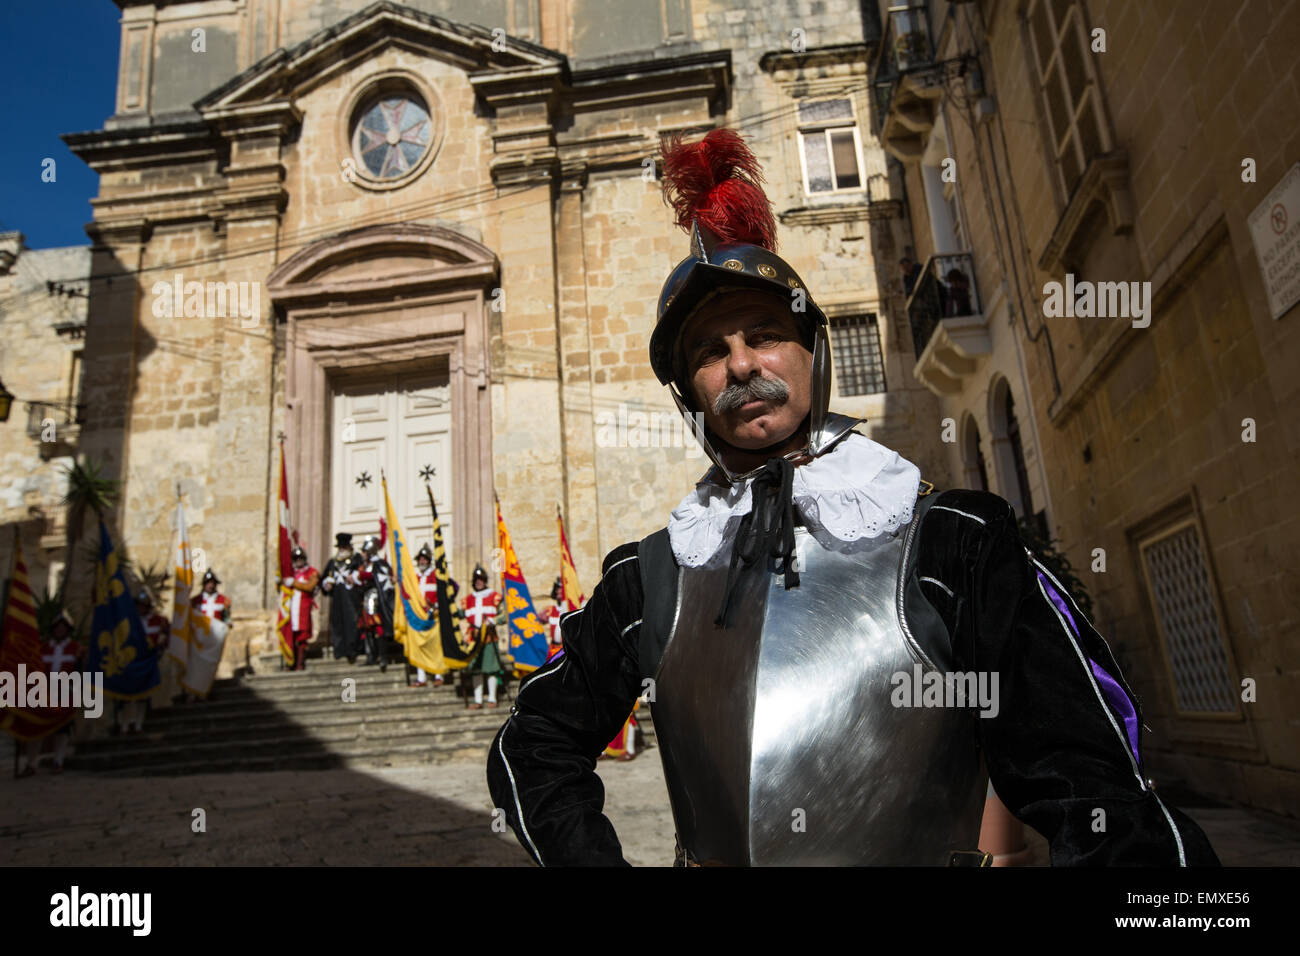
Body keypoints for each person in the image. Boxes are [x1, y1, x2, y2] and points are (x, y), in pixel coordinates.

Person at [486, 128, 1220, 867]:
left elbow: (1093, 788)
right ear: (691, 394)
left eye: (765, 334)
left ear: (815, 351)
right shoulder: (647, 576)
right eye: (710, 352)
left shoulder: (954, 542)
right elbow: (533, 747)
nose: (741, 364)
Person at [16, 613, 81, 777]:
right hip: (42, 693)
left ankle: (58, 760)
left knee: (62, 729)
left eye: (63, 628)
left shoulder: (76, 648)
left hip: (65, 693)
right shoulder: (42, 648)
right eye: (57, 628)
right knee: (36, 726)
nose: (60, 630)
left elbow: (79, 671)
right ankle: (31, 763)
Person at [116, 590, 167, 733]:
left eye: (143, 606)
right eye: (138, 605)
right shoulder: (129, 622)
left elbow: (164, 639)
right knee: (126, 695)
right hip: (131, 662)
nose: (140, 608)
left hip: (148, 661)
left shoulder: (159, 621)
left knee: (143, 694)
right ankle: (125, 724)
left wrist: (158, 649)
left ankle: (138, 723)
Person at [462, 564, 504, 709]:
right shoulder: (467, 599)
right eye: (476, 579)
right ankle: (478, 700)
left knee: (491, 668)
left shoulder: (495, 596)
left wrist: (494, 620)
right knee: (476, 669)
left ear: (485, 580)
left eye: (481, 579)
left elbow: (504, 615)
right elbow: (459, 615)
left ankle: (492, 698)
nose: (479, 582)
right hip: (473, 639)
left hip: (489, 637)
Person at [320, 533, 363, 664]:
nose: (342, 549)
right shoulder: (333, 561)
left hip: (351, 596)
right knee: (337, 621)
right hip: (337, 595)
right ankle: (339, 649)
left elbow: (361, 574)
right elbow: (325, 576)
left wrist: (354, 578)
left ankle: (352, 649)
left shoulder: (356, 559)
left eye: (344, 546)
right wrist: (326, 583)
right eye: (340, 547)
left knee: (352, 621)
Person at [357, 534, 395, 672]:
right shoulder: (366, 565)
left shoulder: (380, 564)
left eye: (364, 551)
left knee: (379, 627)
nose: (362, 554)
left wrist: (360, 575)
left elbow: (377, 577)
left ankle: (383, 656)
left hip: (377, 599)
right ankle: (370, 656)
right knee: (367, 628)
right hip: (367, 598)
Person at [412, 544, 445, 687]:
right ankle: (421, 677)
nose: (422, 562)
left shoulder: (437, 575)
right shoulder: (414, 577)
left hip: (434, 616)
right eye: (420, 559)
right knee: (419, 647)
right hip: (418, 618)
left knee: (436, 647)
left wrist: (436, 605)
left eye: (425, 559)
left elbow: (449, 591)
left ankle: (439, 675)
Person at [283, 546, 320, 671]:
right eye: (296, 559)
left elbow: (310, 587)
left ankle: (300, 662)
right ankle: (289, 661)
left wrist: (294, 583)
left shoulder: (312, 572)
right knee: (289, 635)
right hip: (290, 608)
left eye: (300, 558)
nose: (298, 561)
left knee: (302, 636)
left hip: (302, 608)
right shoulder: (290, 573)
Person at [544, 576, 570, 660]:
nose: (558, 591)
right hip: (552, 650)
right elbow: (535, 621)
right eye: (557, 588)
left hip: (565, 651)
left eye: (561, 589)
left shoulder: (571, 610)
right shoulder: (550, 610)